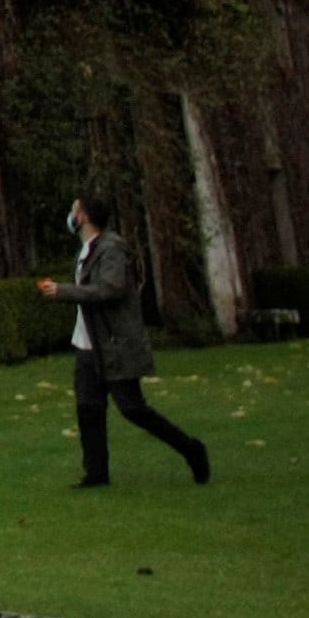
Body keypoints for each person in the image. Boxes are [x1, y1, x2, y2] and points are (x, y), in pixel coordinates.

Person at [39, 196, 209, 488]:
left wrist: (63, 291)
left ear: (84, 216)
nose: (70, 215)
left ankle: (191, 448)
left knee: (133, 408)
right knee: (88, 409)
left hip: (113, 344)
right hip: (87, 345)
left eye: (74, 210)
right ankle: (96, 473)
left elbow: (110, 288)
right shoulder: (88, 250)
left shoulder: (112, 248)